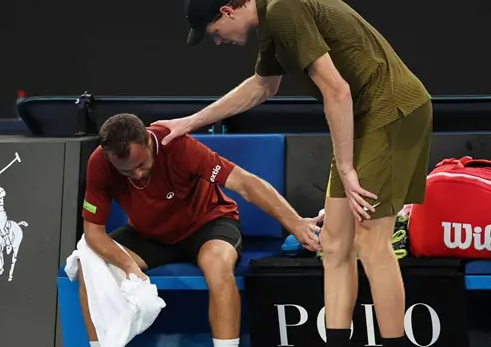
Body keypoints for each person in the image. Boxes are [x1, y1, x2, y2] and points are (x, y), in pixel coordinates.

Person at [153, 0, 432, 347]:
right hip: (364, 120)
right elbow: (262, 87)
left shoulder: (284, 10)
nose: (217, 41)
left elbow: (337, 89)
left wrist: (347, 168)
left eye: (214, 31)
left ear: (226, 11)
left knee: (371, 241)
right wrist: (189, 122)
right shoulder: (273, 20)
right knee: (333, 242)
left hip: (392, 111)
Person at [78, 113, 322, 347]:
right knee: (88, 264)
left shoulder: (178, 145)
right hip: (150, 234)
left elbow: (246, 184)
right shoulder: (100, 162)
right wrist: (127, 265)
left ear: (147, 141)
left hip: (208, 224)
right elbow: (93, 234)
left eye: (141, 164)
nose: (138, 175)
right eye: (127, 171)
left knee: (217, 264)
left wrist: (296, 223)